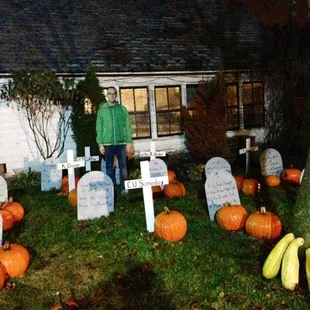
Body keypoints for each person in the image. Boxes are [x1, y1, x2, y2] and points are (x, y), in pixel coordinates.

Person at [96, 86, 133, 194]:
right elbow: (99, 127)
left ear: (116, 95)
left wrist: (128, 141)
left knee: (123, 167)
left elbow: (127, 125)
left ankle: (124, 188)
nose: (111, 95)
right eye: (109, 93)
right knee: (109, 168)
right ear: (107, 95)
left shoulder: (122, 109)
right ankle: (110, 189)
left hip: (121, 143)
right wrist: (100, 144)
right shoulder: (102, 110)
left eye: (113, 93)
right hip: (107, 143)